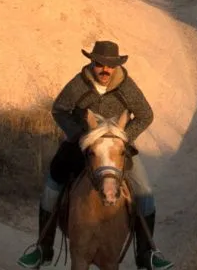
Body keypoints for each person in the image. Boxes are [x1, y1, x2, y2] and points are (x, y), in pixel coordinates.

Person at [17, 40, 173, 270]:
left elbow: (145, 115)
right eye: (100, 64)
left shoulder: (126, 86)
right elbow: (59, 110)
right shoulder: (79, 84)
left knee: (145, 192)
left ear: (116, 66)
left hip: (116, 147)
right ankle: (43, 248)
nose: (105, 70)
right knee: (52, 184)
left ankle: (147, 253)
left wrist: (123, 137)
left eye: (110, 66)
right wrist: (81, 134)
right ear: (92, 62)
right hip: (82, 143)